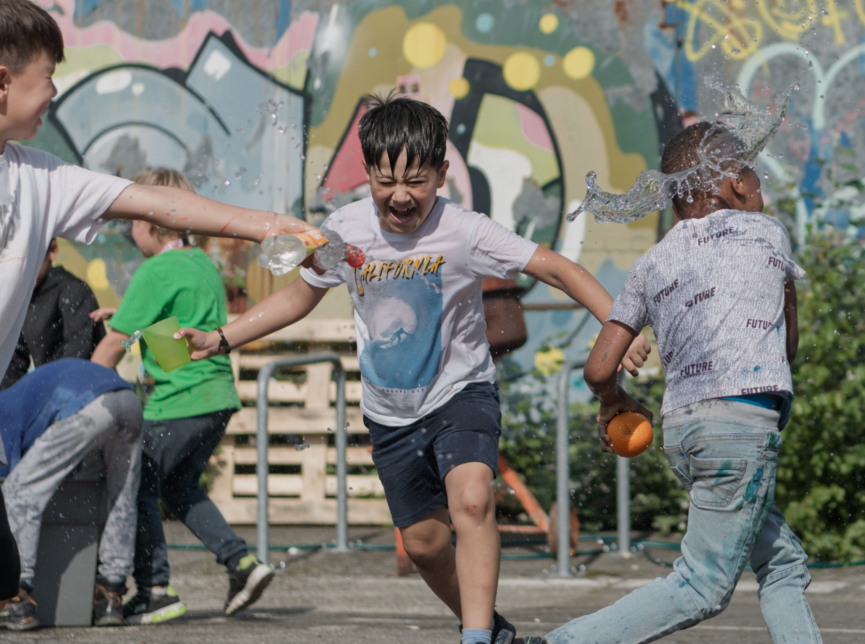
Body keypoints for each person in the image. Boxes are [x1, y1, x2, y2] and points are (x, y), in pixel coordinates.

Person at [0, 0, 318, 644]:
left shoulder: (39, 178)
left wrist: (261, 223)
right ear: (0, 83)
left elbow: (153, 202)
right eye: (47, 77)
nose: (56, 90)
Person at [177, 94, 650, 644]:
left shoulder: (464, 230)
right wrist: (221, 337)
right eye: (385, 181)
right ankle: (490, 629)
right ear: (368, 173)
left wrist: (618, 325)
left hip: (460, 392)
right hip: (389, 411)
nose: (400, 196)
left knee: (472, 498)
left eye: (417, 182)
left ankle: (474, 639)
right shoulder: (344, 230)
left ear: (442, 174)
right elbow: (297, 299)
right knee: (424, 544)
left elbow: (555, 268)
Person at [528, 122, 822, 644]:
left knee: (783, 563)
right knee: (700, 586)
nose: (760, 186)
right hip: (740, 433)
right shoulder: (768, 232)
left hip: (683, 434)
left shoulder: (652, 261)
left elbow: (599, 370)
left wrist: (613, 402)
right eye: (752, 174)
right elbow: (787, 347)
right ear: (732, 182)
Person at [90, 167, 269, 623]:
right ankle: (241, 564)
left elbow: (112, 346)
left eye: (131, 220)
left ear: (149, 221)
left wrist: (81, 396)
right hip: (214, 398)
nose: (130, 231)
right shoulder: (200, 264)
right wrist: (136, 320)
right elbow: (178, 343)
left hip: (179, 403)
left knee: (138, 490)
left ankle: (156, 590)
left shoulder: (155, 270)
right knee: (179, 487)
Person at [0, 359, 142, 630]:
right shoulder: (19, 396)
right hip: (128, 399)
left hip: (87, 405)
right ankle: (111, 594)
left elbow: (0, 483)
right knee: (121, 496)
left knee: (19, 493)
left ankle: (15, 597)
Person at [0, 238, 105, 391]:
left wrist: (44, 394)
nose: (22, 265)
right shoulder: (27, 298)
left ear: (53, 250)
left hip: (85, 395)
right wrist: (4, 403)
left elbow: (78, 353)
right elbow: (14, 363)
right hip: (55, 394)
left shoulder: (73, 290)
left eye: (29, 256)